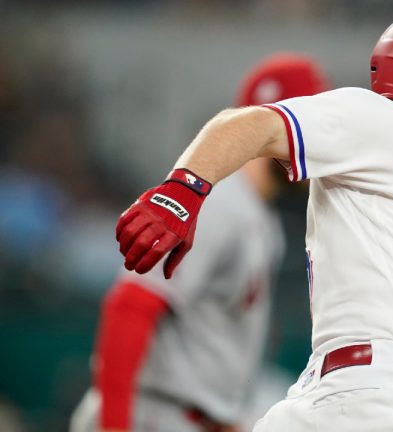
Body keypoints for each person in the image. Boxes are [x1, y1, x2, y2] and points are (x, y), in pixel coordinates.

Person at [114, 4, 393, 431]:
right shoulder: (390, 125)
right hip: (386, 397)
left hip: (377, 403)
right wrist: (182, 191)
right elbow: (252, 125)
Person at [70, 53, 330, 432]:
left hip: (187, 415)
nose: (321, 145)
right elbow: (130, 307)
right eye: (312, 128)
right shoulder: (220, 203)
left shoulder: (257, 217)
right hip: (151, 415)